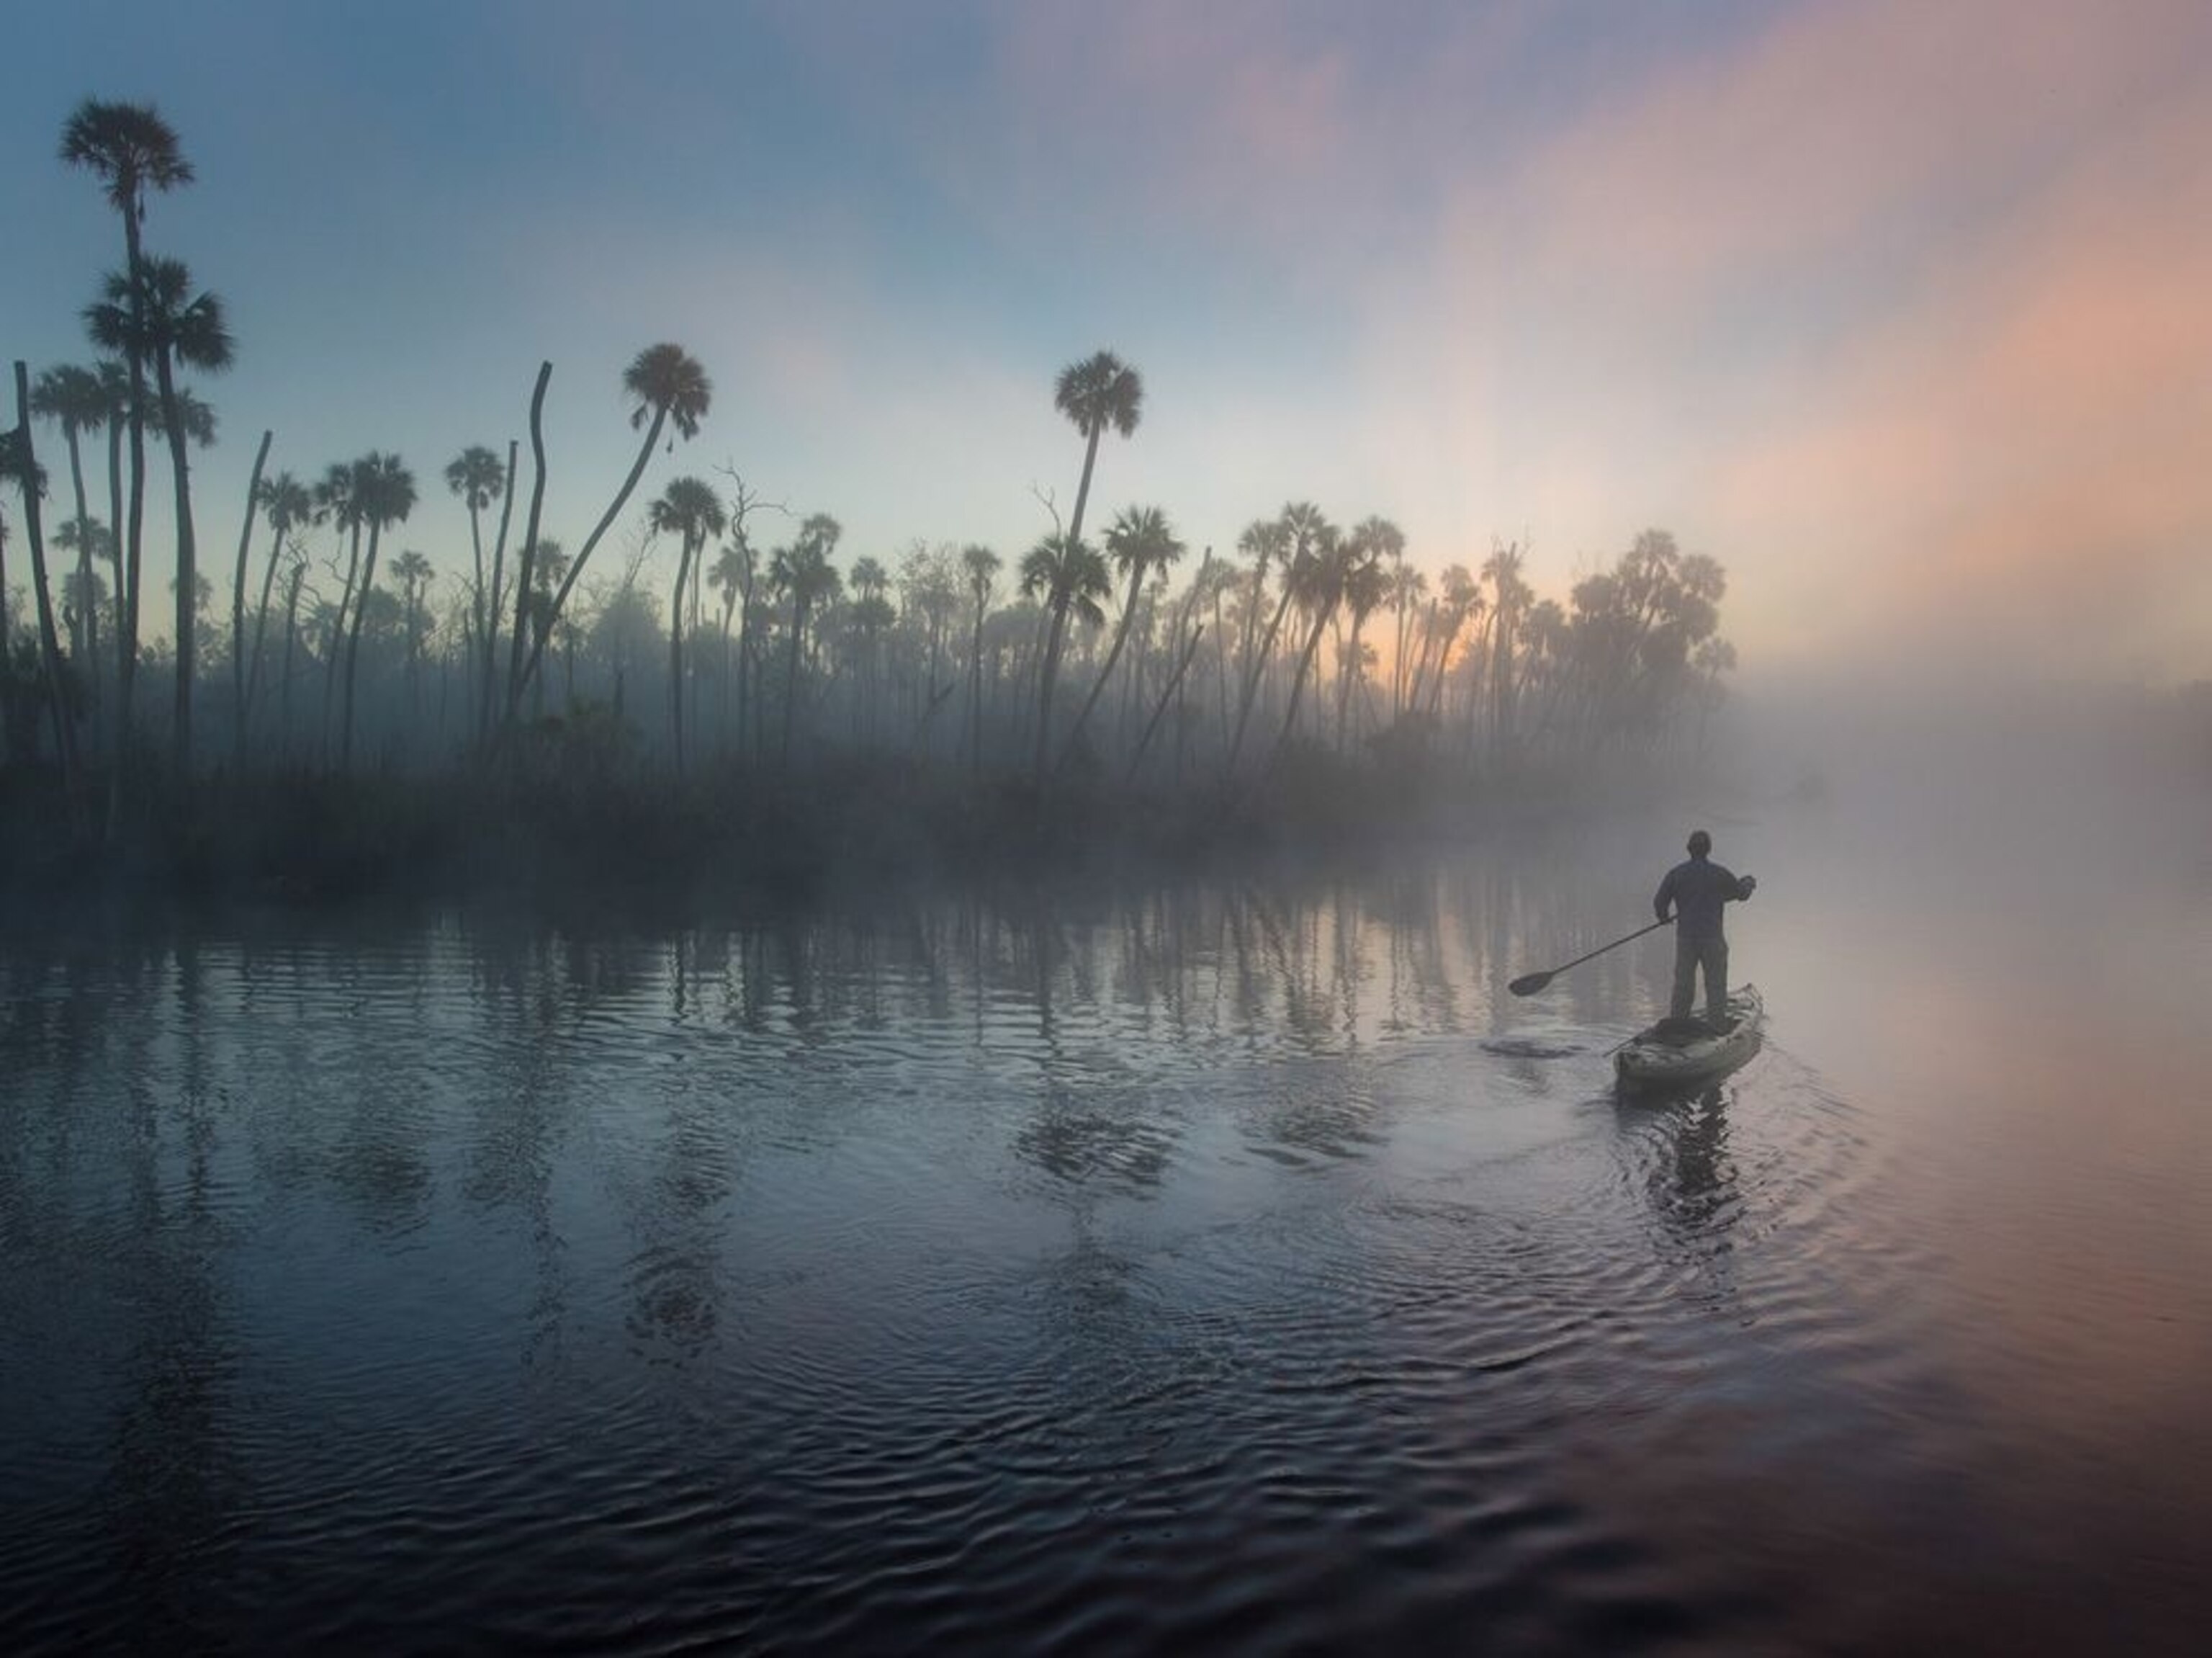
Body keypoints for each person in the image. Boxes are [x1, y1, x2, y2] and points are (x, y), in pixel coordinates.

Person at [1654, 830, 1756, 1028]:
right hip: (1712, 939)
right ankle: (1717, 1025)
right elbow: (1741, 894)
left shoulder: (1676, 874)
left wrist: (1664, 918)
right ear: (1708, 850)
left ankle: (1677, 1026)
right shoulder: (1720, 874)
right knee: (1715, 984)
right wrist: (1749, 884)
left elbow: (1660, 902)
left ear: (1689, 850)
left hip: (1686, 940)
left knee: (1683, 985)